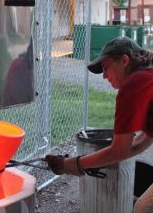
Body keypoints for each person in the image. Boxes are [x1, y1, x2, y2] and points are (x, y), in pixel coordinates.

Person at [45, 36, 153, 213]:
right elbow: (140, 142)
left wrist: (72, 164)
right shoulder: (147, 76)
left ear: (124, 60)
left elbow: (119, 151)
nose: (103, 76)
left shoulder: (134, 84)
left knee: (143, 209)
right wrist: (78, 164)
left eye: (105, 67)